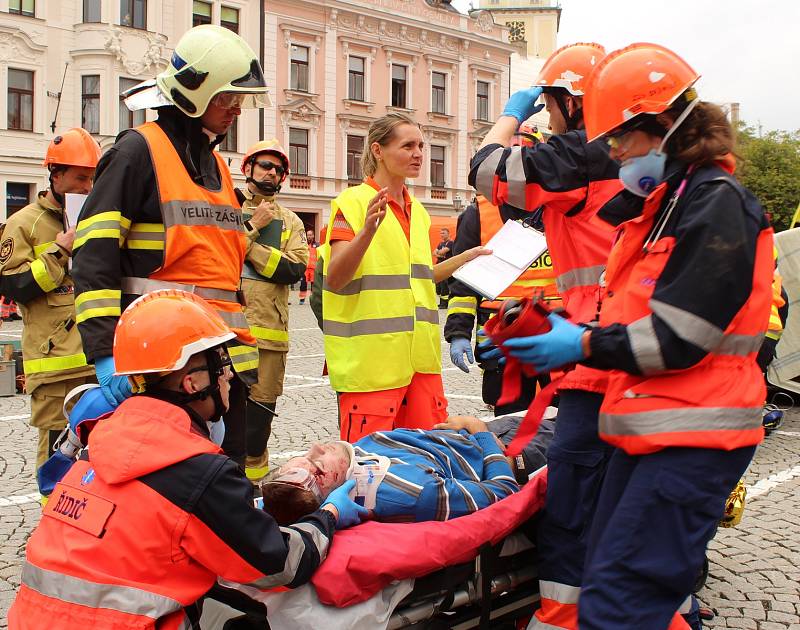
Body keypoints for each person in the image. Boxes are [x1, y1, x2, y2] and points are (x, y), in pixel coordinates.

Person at [501, 43, 773, 629]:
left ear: (662, 125)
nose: (613, 151)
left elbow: (681, 335)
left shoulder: (714, 203)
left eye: (621, 136)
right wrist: (568, 331)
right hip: (653, 428)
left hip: (695, 435)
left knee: (620, 599)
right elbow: (638, 316)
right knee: (611, 583)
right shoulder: (661, 209)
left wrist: (581, 345)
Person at [7, 290, 366, 630]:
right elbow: (282, 564)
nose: (229, 375)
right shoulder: (197, 472)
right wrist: (328, 514)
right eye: (221, 364)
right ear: (193, 383)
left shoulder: (98, 441)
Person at [469, 42, 624, 629]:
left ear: (563, 100)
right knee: (637, 493)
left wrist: (511, 115)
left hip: (594, 354)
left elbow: (485, 170)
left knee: (573, 493)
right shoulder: (646, 154)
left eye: (551, 103)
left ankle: (562, 617)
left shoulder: (576, 154)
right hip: (640, 351)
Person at [71, 24, 269, 468]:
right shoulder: (136, 152)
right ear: (193, 93)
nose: (235, 108)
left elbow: (219, 270)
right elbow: (93, 254)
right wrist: (105, 352)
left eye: (239, 98)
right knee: (170, 481)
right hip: (163, 362)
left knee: (226, 478)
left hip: (217, 360)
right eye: (225, 97)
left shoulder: (216, 163)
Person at [322, 112, 487, 442]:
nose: (419, 154)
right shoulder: (351, 202)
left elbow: (421, 278)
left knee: (430, 459)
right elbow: (335, 278)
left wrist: (463, 259)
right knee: (371, 471)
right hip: (371, 368)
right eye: (408, 145)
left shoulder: (419, 210)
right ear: (378, 150)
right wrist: (367, 231)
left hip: (421, 363)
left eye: (421, 146)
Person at [0, 128, 100, 472]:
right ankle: (53, 521)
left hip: (97, 360)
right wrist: (59, 252)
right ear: (56, 175)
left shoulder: (97, 219)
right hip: (54, 366)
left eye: (93, 178)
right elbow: (13, 286)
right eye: (80, 177)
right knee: (58, 457)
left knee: (99, 452)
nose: (87, 187)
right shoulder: (24, 223)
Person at [446, 128, 561, 416]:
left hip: (556, 337)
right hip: (502, 341)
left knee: (559, 424)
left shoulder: (560, 209)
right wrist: (459, 332)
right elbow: (462, 282)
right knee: (510, 427)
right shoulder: (478, 214)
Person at [261, 417, 536, 525]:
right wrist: (479, 431)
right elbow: (505, 492)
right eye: (318, 464)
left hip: (475, 436)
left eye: (305, 454)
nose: (317, 446)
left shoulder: (353, 460)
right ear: (338, 492)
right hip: (508, 452)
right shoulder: (414, 493)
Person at [237, 139, 309, 482]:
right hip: (227, 332)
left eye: (278, 169)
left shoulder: (291, 221)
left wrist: (247, 246)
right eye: (265, 165)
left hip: (269, 337)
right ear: (247, 168)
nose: (272, 172)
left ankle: (253, 488)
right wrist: (250, 228)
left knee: (258, 424)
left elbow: (293, 269)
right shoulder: (226, 209)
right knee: (223, 417)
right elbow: (215, 255)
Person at [433, 227, 454, 308]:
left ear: (448, 234)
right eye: (441, 233)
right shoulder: (441, 243)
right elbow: (434, 253)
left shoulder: (450, 243)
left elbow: (442, 252)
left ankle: (444, 304)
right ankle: (442, 302)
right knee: (438, 286)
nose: (441, 235)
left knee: (444, 286)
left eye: (443, 233)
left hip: (447, 266)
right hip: (440, 265)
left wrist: (439, 253)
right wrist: (439, 253)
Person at [299, 228, 318, 305]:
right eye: (308, 235)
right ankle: (302, 299)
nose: (309, 236)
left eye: (310, 235)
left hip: (314, 268)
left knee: (314, 285)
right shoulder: (303, 245)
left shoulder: (317, 245)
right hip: (305, 268)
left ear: (313, 236)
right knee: (303, 284)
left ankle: (313, 299)